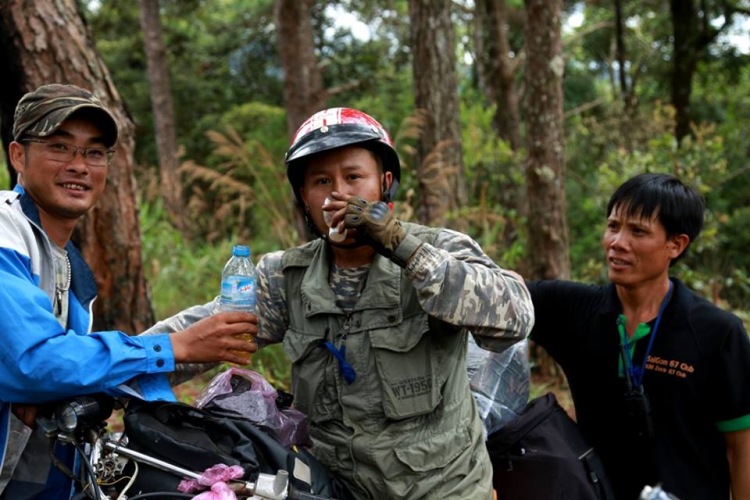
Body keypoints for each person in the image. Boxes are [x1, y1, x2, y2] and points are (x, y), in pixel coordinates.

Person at [148, 107, 535, 499]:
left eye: (354, 177)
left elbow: (515, 317)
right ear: (304, 196)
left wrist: (403, 247)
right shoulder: (287, 277)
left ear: (385, 184)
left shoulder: (437, 250)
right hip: (336, 488)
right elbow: (203, 333)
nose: (340, 193)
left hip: (444, 490)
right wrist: (117, 365)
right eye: (321, 181)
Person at [0, 83, 258, 499]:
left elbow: (60, 373)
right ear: (18, 155)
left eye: (94, 153)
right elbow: (34, 362)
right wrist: (171, 347)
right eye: (60, 148)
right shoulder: (4, 233)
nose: (79, 165)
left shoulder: (68, 264)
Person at [528, 173, 750, 500]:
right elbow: (501, 292)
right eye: (613, 226)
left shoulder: (716, 332)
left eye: (638, 231)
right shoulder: (573, 310)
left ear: (676, 244)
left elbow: (741, 449)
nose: (618, 242)